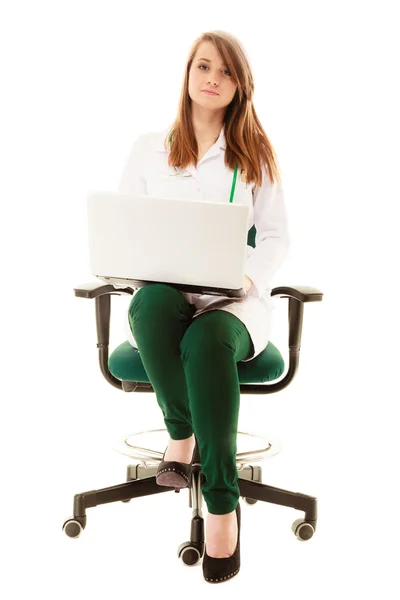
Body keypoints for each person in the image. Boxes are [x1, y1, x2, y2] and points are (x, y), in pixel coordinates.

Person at [117, 30, 290, 582]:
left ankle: (220, 500)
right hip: (167, 295)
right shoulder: (151, 147)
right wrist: (133, 268)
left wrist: (247, 275)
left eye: (226, 72)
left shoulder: (254, 155)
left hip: (231, 307)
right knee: (150, 307)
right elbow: (124, 231)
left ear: (240, 86)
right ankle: (181, 431)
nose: (212, 79)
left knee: (206, 338)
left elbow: (277, 238)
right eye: (203, 67)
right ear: (188, 74)